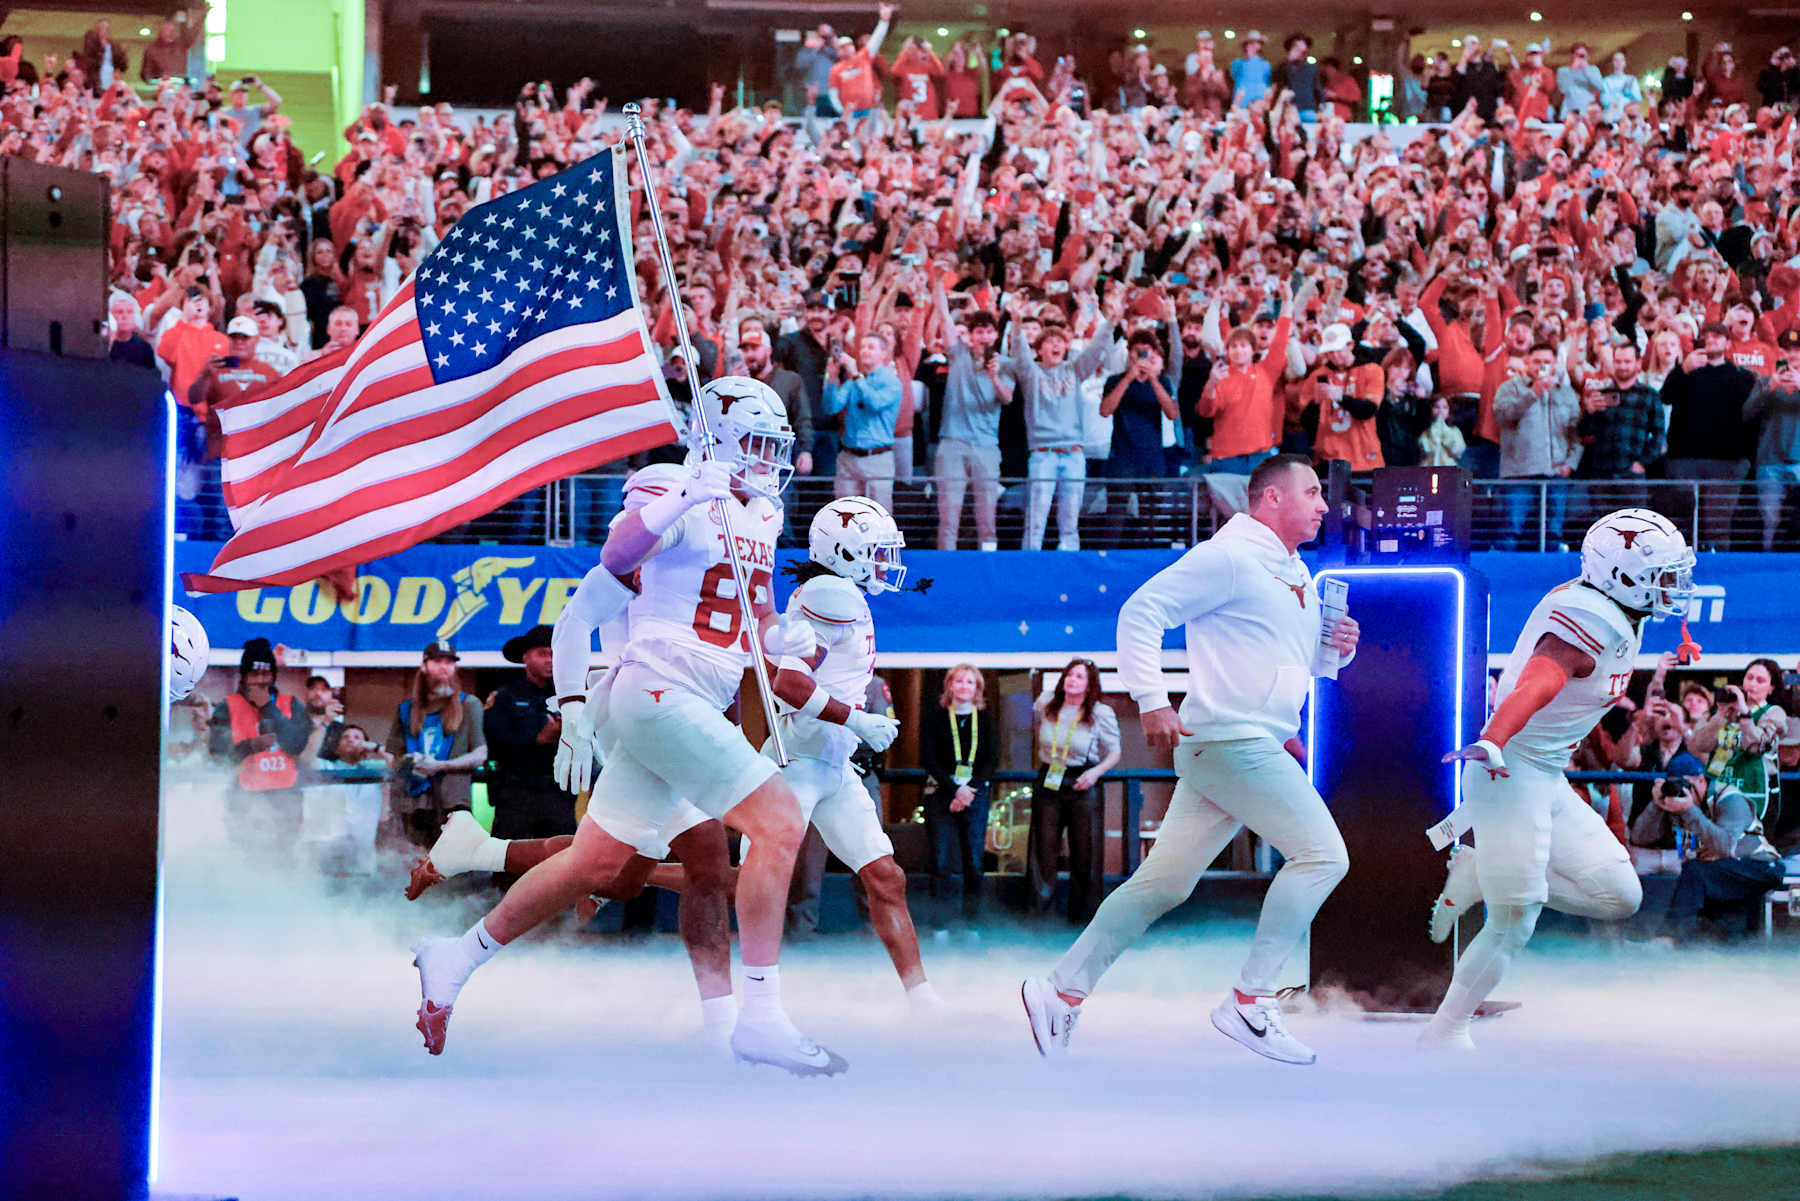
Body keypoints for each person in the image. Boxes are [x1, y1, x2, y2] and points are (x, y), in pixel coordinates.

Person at [411, 378, 848, 1076]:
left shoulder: (761, 514)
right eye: (758, 444)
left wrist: (799, 637)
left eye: (776, 447)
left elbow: (760, 620)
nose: (769, 460)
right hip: (656, 686)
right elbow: (612, 563)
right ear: (718, 438)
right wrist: (574, 708)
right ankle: (758, 1017)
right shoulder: (674, 490)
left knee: (597, 865)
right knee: (780, 822)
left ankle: (454, 957)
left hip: (697, 697)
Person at [1021, 454, 1360, 1066]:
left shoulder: (1297, 573)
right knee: (1323, 856)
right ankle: (1251, 1000)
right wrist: (1151, 701)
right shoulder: (1226, 557)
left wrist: (1335, 647)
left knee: (1162, 885)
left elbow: (1291, 662)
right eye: (1311, 493)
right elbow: (1140, 613)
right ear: (1271, 499)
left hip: (1239, 742)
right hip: (1233, 741)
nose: (1324, 504)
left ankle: (1059, 992)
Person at [1423, 509, 1696, 1051]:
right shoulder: (1589, 618)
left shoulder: (1614, 607)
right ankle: (1445, 1033)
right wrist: (1493, 739)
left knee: (1620, 895)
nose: (1676, 586)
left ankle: (1484, 871)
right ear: (1622, 575)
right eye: (1664, 574)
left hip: (1544, 776)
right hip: (1507, 773)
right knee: (1514, 920)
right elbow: (1538, 683)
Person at [766, 497, 940, 1011]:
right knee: (740, 883)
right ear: (846, 551)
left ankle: (922, 1000)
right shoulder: (830, 594)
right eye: (878, 552)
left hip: (831, 765)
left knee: (886, 876)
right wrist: (858, 718)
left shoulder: (840, 594)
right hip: (797, 762)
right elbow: (791, 683)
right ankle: (629, 871)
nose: (887, 562)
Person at [1634, 752, 1786, 941]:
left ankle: (1668, 939)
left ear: (1701, 780)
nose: (1682, 791)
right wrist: (1657, 804)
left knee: (1694, 871)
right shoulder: (1678, 805)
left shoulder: (1729, 798)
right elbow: (1639, 837)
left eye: (1685, 784)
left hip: (1761, 865)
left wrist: (1689, 810)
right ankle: (1685, 946)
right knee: (1713, 925)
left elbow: (1726, 846)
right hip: (1724, 873)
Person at [1004, 299, 1114, 551]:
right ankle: (1030, 566)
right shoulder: (1031, 374)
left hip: (1074, 454)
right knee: (1036, 519)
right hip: (1043, 456)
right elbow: (1020, 353)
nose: (1056, 344)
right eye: (1050, 341)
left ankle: (1068, 568)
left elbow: (1095, 349)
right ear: (1039, 349)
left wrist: (1113, 321)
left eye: (1060, 341)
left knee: (1070, 522)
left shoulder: (1074, 370)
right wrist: (1017, 320)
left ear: (1066, 347)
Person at [1026, 658, 1121, 924]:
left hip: (1083, 779)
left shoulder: (1100, 712)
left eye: (1079, 676)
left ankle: (1083, 917)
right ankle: (1039, 914)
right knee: (1043, 849)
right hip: (1050, 776)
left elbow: (1115, 753)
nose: (1072, 680)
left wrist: (1094, 774)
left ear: (1089, 684)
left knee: (1084, 851)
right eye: (1069, 675)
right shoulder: (1046, 702)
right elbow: (1037, 731)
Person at [208, 638, 311, 857]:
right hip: (244, 797)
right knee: (248, 857)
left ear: (274, 676)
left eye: (266, 675)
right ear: (243, 677)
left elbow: (296, 744)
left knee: (284, 857)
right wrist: (251, 746)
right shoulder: (227, 707)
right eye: (254, 675)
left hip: (286, 795)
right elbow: (218, 756)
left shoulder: (290, 703)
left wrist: (267, 707)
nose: (260, 680)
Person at [383, 640, 487, 851]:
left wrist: (439, 765)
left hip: (453, 801)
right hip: (413, 801)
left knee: (452, 867)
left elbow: (480, 754)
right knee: (413, 866)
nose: (444, 666)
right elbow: (392, 757)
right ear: (424, 666)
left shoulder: (469, 704)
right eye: (438, 660)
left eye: (450, 661)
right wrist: (410, 761)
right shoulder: (406, 709)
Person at [1661, 322, 1757, 549]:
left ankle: (1719, 571)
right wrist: (1683, 369)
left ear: (1728, 343)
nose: (1712, 339)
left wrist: (1744, 461)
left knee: (1718, 525)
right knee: (1681, 524)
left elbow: (1753, 420)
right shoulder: (1686, 370)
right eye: (1707, 335)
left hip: (1727, 462)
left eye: (1718, 335)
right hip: (1684, 459)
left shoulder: (1743, 377)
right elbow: (1665, 396)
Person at [483, 624, 578, 848]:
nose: (550, 660)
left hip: (558, 793)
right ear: (526, 658)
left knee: (560, 859)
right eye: (543, 654)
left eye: (555, 654)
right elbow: (495, 744)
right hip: (516, 793)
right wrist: (538, 740)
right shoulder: (506, 697)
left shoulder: (569, 697)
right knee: (512, 861)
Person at [920, 664, 997, 937]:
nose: (965, 686)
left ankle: (972, 923)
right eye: (959, 681)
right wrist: (955, 789)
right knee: (941, 861)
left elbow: (991, 761)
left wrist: (969, 790)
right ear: (950, 686)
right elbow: (928, 759)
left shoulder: (985, 719)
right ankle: (939, 924)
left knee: (974, 861)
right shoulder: (935, 717)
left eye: (971, 682)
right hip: (941, 794)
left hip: (975, 796)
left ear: (978, 689)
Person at [932, 286, 1010, 551]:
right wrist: (938, 280)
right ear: (972, 336)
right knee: (949, 515)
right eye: (979, 332)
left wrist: (993, 376)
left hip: (986, 446)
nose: (984, 337)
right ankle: (945, 568)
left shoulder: (1005, 364)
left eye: (989, 331)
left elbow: (1008, 398)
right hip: (953, 441)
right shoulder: (959, 354)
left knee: (987, 516)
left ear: (996, 335)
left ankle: (990, 567)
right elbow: (943, 315)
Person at [1494, 344, 1581, 550]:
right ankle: (1503, 578)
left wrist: (1570, 463)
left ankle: (1554, 579)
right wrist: (1533, 393)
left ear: (1554, 365)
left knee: (1554, 532)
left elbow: (1576, 434)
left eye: (1547, 362)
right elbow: (1502, 416)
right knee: (1511, 529)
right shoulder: (1509, 388)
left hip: (1556, 473)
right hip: (1519, 474)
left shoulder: (1566, 393)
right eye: (1537, 361)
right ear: (1527, 363)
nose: (1541, 366)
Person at [1688, 659, 1788, 821]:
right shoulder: (1726, 713)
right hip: (1722, 787)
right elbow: (1698, 746)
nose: (1752, 684)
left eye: (1760, 680)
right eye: (1749, 678)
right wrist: (1720, 714)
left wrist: (1743, 711)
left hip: (1755, 790)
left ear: (1771, 688)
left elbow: (1756, 745)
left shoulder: (1774, 713)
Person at [823, 331, 902, 511]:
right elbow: (831, 407)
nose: (865, 351)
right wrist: (831, 379)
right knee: (846, 515)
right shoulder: (853, 381)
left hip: (877, 459)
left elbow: (875, 403)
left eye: (871, 347)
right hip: (848, 458)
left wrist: (856, 375)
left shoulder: (892, 382)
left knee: (879, 516)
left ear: (884, 353)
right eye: (863, 347)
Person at [1745, 359, 1800, 550]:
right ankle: (1767, 560)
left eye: (1797, 349)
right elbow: (1747, 413)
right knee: (1770, 519)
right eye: (1788, 349)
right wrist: (1770, 388)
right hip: (1769, 461)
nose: (1793, 355)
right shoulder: (1766, 382)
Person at [107, 292, 157, 370]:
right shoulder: (104, 346)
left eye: (129, 312)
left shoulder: (144, 347)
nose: (125, 316)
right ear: (111, 316)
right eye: (119, 312)